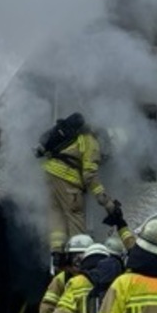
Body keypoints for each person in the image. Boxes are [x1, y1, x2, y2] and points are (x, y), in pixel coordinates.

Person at [37, 112, 121, 266]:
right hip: (67, 178)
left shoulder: (77, 136)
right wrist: (106, 202)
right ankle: (80, 262)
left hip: (49, 176)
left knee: (57, 217)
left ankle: (57, 255)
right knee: (75, 216)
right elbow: (90, 175)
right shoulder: (92, 142)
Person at [40, 234, 94, 313]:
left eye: (82, 257)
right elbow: (46, 310)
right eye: (74, 257)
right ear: (68, 258)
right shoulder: (61, 279)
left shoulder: (98, 278)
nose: (78, 262)